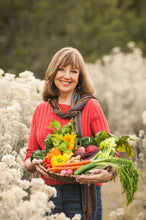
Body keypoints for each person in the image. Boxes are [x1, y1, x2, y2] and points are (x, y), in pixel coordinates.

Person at [24, 47, 115, 220]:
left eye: (73, 71)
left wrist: (107, 174)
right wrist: (32, 164)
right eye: (61, 69)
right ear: (53, 72)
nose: (67, 76)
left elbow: (111, 151)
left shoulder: (90, 106)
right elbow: (30, 155)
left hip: (82, 194)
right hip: (46, 194)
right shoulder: (41, 109)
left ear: (79, 78)